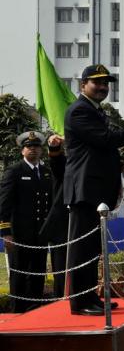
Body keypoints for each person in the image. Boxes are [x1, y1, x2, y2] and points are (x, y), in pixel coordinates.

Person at [64, 64, 124, 316]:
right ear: (83, 86)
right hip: (84, 189)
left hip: (96, 188)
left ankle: (91, 297)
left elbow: (101, 148)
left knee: (93, 248)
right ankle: (80, 303)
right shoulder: (80, 110)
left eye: (106, 83)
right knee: (82, 248)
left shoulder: (96, 111)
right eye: (97, 83)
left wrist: (117, 161)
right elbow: (105, 139)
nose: (103, 87)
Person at [0, 131, 52, 312]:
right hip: (20, 233)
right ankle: (18, 310)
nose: (34, 150)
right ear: (22, 150)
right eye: (29, 147)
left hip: (40, 233)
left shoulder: (46, 173)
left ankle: (36, 307)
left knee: (38, 272)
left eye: (37, 147)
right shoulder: (14, 171)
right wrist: (6, 232)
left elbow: (50, 203)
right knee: (19, 272)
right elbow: (4, 204)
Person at [38, 134, 68, 298]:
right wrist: (54, 147)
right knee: (61, 268)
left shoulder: (86, 163)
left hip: (83, 224)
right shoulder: (63, 165)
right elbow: (57, 163)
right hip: (61, 227)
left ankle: (85, 297)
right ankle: (61, 299)